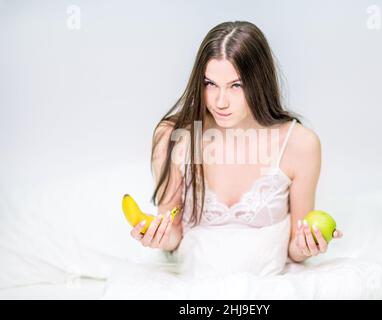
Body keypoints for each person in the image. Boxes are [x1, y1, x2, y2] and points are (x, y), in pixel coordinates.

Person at [130, 21, 343, 264]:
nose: (220, 102)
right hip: (193, 280)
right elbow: (174, 233)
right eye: (210, 84)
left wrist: (308, 245)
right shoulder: (172, 136)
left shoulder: (300, 144)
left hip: (267, 284)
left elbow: (295, 249)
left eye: (236, 85)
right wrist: (159, 237)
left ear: (259, 83)